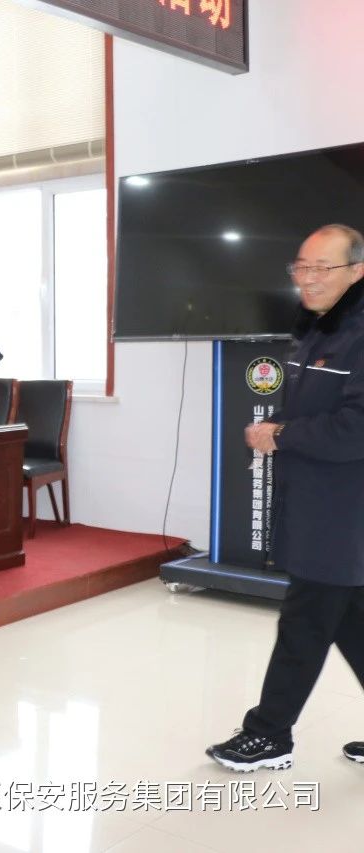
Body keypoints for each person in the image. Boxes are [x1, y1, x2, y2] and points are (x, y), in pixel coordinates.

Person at [207, 224, 364, 772]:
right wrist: (281, 425)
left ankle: (269, 733)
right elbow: (315, 410)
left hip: (343, 513)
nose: (308, 278)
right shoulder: (321, 329)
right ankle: (271, 732)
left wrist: (281, 434)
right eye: (302, 267)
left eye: (323, 268)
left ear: (357, 271)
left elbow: (357, 427)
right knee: (350, 621)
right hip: (318, 504)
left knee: (304, 624)